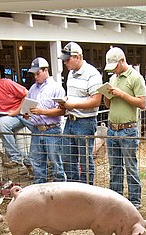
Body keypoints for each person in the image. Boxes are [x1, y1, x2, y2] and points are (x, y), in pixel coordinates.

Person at [103, 47, 146, 209]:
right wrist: (107, 96)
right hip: (112, 128)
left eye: (115, 66)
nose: (113, 69)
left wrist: (122, 94)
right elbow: (108, 104)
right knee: (114, 166)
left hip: (128, 128)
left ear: (122, 61)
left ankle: (135, 201)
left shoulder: (135, 77)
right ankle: (116, 198)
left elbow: (142, 103)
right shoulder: (113, 79)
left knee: (130, 165)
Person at [57, 42, 102, 185]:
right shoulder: (71, 73)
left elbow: (96, 100)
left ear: (78, 57)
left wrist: (73, 104)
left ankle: (87, 189)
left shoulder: (92, 73)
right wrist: (65, 102)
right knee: (68, 157)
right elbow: (76, 96)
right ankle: (73, 187)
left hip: (85, 121)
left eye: (67, 59)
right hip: (70, 120)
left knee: (85, 158)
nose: (65, 62)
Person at [25, 57, 66, 184]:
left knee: (55, 161)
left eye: (38, 73)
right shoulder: (33, 88)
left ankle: (61, 191)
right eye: (34, 74)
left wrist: (42, 111)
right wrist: (26, 114)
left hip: (52, 129)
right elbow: (28, 105)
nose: (36, 77)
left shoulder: (56, 87)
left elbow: (62, 111)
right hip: (37, 129)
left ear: (45, 71)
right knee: (37, 161)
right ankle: (40, 191)